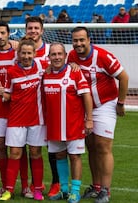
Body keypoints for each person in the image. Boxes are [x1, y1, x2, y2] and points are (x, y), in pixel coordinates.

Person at [67, 26, 129, 203]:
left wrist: (121, 103)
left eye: (81, 40)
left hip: (105, 104)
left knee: (102, 145)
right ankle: (95, 187)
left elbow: (124, 77)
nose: (78, 44)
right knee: (91, 145)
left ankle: (106, 190)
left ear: (89, 40)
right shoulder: (71, 56)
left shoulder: (102, 56)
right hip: (84, 106)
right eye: (75, 40)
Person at [0, 21, 31, 199]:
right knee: (1, 147)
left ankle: (25, 186)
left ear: (8, 33)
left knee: (21, 148)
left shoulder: (18, 53)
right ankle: (5, 186)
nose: (0, 36)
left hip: (18, 108)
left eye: (3, 33)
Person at [43, 42, 93, 203]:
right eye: (53, 54)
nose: (57, 57)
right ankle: (64, 190)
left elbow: (86, 96)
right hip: (54, 125)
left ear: (65, 56)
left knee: (75, 157)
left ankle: (75, 191)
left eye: (59, 54)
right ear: (49, 57)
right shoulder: (46, 74)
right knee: (59, 156)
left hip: (74, 124)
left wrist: (89, 119)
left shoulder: (75, 73)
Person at [0, 39, 47, 201]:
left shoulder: (42, 67)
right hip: (16, 118)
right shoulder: (11, 72)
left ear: (35, 54)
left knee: (35, 153)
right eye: (23, 53)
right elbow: (9, 95)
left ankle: (37, 189)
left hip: (36, 119)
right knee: (15, 153)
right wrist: (2, 94)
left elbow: (59, 60)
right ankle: (9, 190)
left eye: (29, 53)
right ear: (18, 55)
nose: (26, 56)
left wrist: (73, 64)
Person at [25, 16, 62, 198]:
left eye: (36, 28)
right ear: (26, 31)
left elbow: (64, 66)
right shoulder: (23, 51)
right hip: (32, 109)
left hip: (52, 108)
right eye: (30, 28)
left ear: (42, 31)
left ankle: (57, 182)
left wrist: (73, 64)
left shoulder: (50, 51)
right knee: (35, 148)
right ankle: (35, 183)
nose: (33, 31)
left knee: (54, 148)